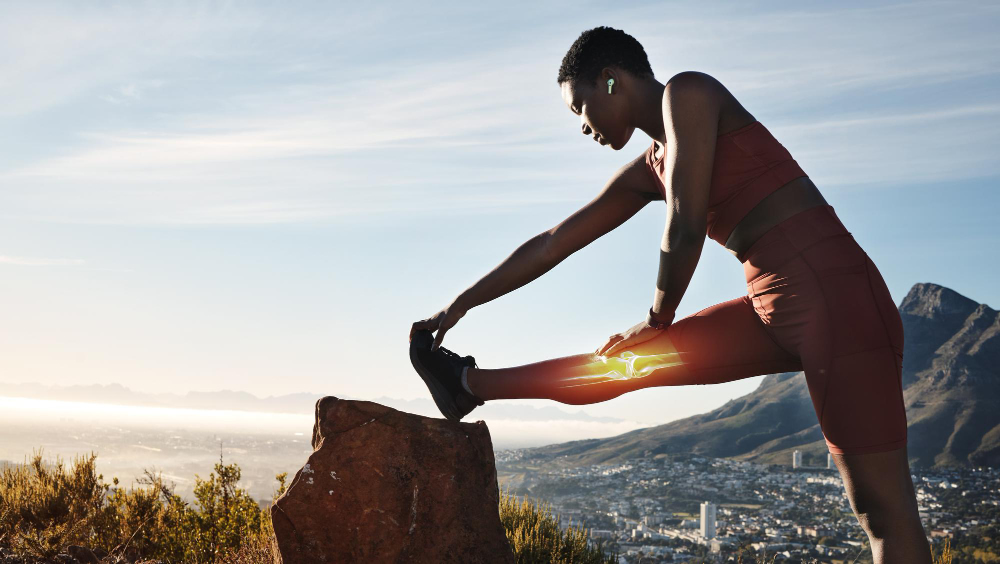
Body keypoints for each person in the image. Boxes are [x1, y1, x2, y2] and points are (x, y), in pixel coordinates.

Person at [408, 26, 930, 563]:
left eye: (579, 108)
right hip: (770, 304)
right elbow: (552, 243)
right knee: (623, 365)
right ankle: (467, 384)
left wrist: (659, 317)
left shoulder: (690, 93)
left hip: (838, 298)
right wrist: (462, 303)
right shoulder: (650, 167)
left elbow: (684, 224)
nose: (583, 128)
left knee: (879, 509)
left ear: (610, 81)